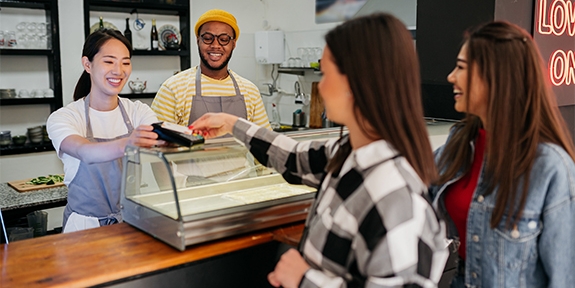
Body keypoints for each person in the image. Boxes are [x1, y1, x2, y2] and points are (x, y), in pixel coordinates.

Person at [190, 13, 448, 288]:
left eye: (325, 73)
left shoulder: (396, 199)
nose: (320, 87)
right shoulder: (348, 153)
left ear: (356, 83)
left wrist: (303, 278)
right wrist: (231, 124)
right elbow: (292, 157)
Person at [430, 21, 575, 288]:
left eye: (461, 67)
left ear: (495, 76)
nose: (450, 77)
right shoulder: (459, 144)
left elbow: (564, 277)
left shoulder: (551, 167)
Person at [47, 29, 164, 233]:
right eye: (109, 61)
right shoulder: (65, 117)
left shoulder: (138, 111)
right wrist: (129, 143)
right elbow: (86, 152)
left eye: (125, 62)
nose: (118, 71)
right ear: (87, 64)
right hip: (83, 228)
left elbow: (162, 143)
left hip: (131, 223)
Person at [151, 8, 271, 129]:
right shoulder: (173, 88)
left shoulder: (250, 91)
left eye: (224, 39)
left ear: (233, 44)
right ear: (198, 40)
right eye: (208, 38)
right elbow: (156, 143)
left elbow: (264, 141)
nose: (215, 45)